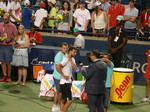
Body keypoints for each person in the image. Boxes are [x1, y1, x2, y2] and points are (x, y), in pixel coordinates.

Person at [56, 46, 77, 112]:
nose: (75, 53)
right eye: (74, 52)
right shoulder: (65, 59)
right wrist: (63, 75)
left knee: (64, 100)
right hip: (64, 82)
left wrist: (70, 59)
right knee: (69, 100)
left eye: (76, 52)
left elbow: (75, 68)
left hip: (68, 82)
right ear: (70, 52)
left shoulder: (72, 59)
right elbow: (58, 67)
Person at [52, 42, 69, 112]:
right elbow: (57, 68)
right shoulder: (58, 56)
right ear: (61, 48)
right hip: (58, 76)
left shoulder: (67, 55)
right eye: (64, 48)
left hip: (63, 77)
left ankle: (59, 106)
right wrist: (63, 75)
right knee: (58, 92)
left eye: (66, 48)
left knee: (61, 92)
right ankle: (55, 105)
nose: (65, 49)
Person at [0, 13, 17, 82]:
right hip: (1, 45)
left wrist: (10, 39)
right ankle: (4, 75)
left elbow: (16, 36)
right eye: (3, 19)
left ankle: (9, 76)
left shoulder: (13, 26)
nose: (4, 20)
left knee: (8, 62)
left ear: (9, 19)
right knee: (3, 62)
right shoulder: (0, 25)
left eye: (6, 19)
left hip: (9, 46)